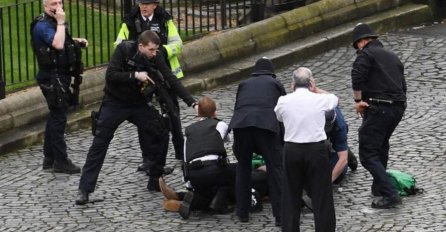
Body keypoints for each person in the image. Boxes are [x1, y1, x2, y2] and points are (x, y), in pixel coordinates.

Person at [75, 31, 197, 205]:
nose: (154, 53)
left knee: (162, 130)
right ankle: (84, 189)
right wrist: (135, 75)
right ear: (141, 46)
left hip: (138, 103)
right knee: (99, 143)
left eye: (156, 50)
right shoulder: (124, 50)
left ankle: (155, 178)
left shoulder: (156, 55)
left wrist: (192, 103)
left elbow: (171, 79)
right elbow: (111, 75)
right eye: (151, 50)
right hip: (114, 102)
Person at [115, 0, 186, 170]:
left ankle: (180, 151)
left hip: (163, 73)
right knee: (143, 115)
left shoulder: (164, 19)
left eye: (147, 3)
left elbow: (177, 43)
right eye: (141, 3)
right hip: (142, 76)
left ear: (155, 5)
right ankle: (147, 158)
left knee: (172, 112)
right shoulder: (130, 21)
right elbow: (119, 44)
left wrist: (160, 52)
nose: (144, 7)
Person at [351, 23, 407, 209]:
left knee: (367, 153)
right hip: (397, 108)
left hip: (378, 106)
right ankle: (379, 186)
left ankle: (390, 194)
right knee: (381, 145)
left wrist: (358, 101)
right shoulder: (393, 56)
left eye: (358, 44)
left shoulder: (365, 54)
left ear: (363, 41)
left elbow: (357, 76)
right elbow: (403, 85)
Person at [275, 67, 337, 232]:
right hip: (316, 149)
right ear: (311, 82)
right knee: (322, 195)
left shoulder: (283, 100)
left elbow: (279, 117)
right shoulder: (319, 99)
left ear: (292, 84)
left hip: (292, 149)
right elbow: (334, 99)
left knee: (291, 194)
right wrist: (316, 89)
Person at [30, 0, 88, 174]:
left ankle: (49, 158)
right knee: (59, 117)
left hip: (59, 75)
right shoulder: (42, 25)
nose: (57, 6)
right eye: (53, 3)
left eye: (60, 2)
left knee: (55, 114)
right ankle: (61, 161)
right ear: (44, 4)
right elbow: (57, 44)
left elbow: (61, 40)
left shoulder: (52, 22)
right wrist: (61, 21)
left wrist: (76, 41)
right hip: (52, 77)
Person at [228, 57, 286, 226]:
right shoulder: (275, 84)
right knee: (275, 169)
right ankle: (280, 216)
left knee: (243, 167)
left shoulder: (244, 84)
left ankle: (243, 212)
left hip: (242, 125)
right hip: (266, 127)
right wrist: (282, 141)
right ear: (271, 72)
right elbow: (283, 113)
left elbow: (238, 107)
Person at [179, 96, 237, 219]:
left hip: (194, 174)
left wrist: (188, 184)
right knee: (236, 170)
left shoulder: (189, 130)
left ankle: (194, 195)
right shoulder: (219, 124)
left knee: (205, 187)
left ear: (198, 112)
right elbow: (228, 139)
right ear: (214, 112)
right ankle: (219, 202)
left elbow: (185, 157)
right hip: (213, 170)